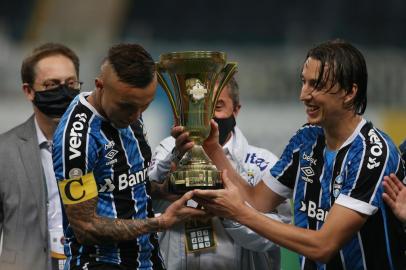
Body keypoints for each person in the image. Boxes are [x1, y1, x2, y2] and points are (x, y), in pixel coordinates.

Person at [176, 40, 406, 269]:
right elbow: (258, 201)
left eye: (316, 85)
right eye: (304, 82)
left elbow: (323, 246)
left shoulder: (372, 153)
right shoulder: (306, 139)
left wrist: (240, 213)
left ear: (349, 92)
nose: (304, 95)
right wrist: (213, 148)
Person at [52, 43, 205, 270]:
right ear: (100, 85)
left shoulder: (130, 111)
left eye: (145, 106)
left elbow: (130, 186)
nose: (136, 115)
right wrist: (161, 222)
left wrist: (169, 185)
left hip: (147, 259)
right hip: (101, 263)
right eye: (128, 107)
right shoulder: (77, 140)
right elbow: (85, 227)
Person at [148, 76, 292, 270]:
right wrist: (167, 179)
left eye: (217, 107)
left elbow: (274, 237)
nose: (207, 117)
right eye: (200, 106)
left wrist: (229, 211)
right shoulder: (168, 149)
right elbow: (142, 202)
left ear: (236, 110)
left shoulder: (264, 163)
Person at [0, 43, 81, 270]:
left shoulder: (99, 144)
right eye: (51, 84)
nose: (64, 92)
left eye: (71, 83)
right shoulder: (4, 152)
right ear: (28, 91)